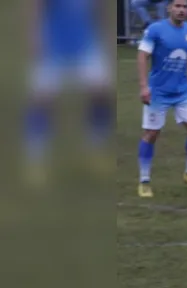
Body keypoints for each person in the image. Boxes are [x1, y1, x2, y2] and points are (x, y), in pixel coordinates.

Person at [27, 0, 112, 186]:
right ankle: (36, 160)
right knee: (42, 101)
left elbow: (100, 7)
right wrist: (35, 35)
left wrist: (104, 37)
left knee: (100, 95)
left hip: (85, 43)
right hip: (52, 44)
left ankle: (95, 151)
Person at [136, 0, 187, 198]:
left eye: (185, 7)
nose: (181, 10)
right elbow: (142, 56)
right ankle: (144, 181)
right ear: (169, 8)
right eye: (177, 6)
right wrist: (144, 87)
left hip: (182, 92)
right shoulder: (155, 30)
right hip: (158, 92)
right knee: (151, 134)